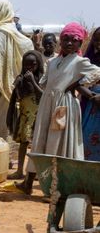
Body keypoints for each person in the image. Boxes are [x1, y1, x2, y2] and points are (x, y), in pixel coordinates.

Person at [15, 24, 100, 193]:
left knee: (57, 142)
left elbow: (97, 72)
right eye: (66, 39)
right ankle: (28, 183)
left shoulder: (80, 62)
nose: (69, 43)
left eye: (74, 40)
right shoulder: (54, 62)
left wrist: (77, 84)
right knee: (40, 141)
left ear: (79, 43)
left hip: (64, 108)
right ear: (60, 41)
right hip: (48, 105)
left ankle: (56, 188)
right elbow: (45, 83)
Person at [0, 0, 34, 139]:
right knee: (5, 124)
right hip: (12, 87)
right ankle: (4, 158)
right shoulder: (13, 33)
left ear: (0, 13)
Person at [5, 50, 45, 178]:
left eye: (32, 64)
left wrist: (33, 81)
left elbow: (43, 96)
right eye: (26, 65)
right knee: (23, 143)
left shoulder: (43, 79)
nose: (29, 68)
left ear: (38, 64)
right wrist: (19, 83)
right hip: (25, 117)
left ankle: (37, 172)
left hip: (38, 117)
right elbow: (16, 98)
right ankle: (19, 171)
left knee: (38, 144)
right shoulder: (21, 78)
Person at [80, 28, 100, 162]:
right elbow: (78, 81)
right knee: (87, 137)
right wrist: (92, 96)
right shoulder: (88, 59)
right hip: (90, 105)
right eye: (96, 40)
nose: (98, 44)